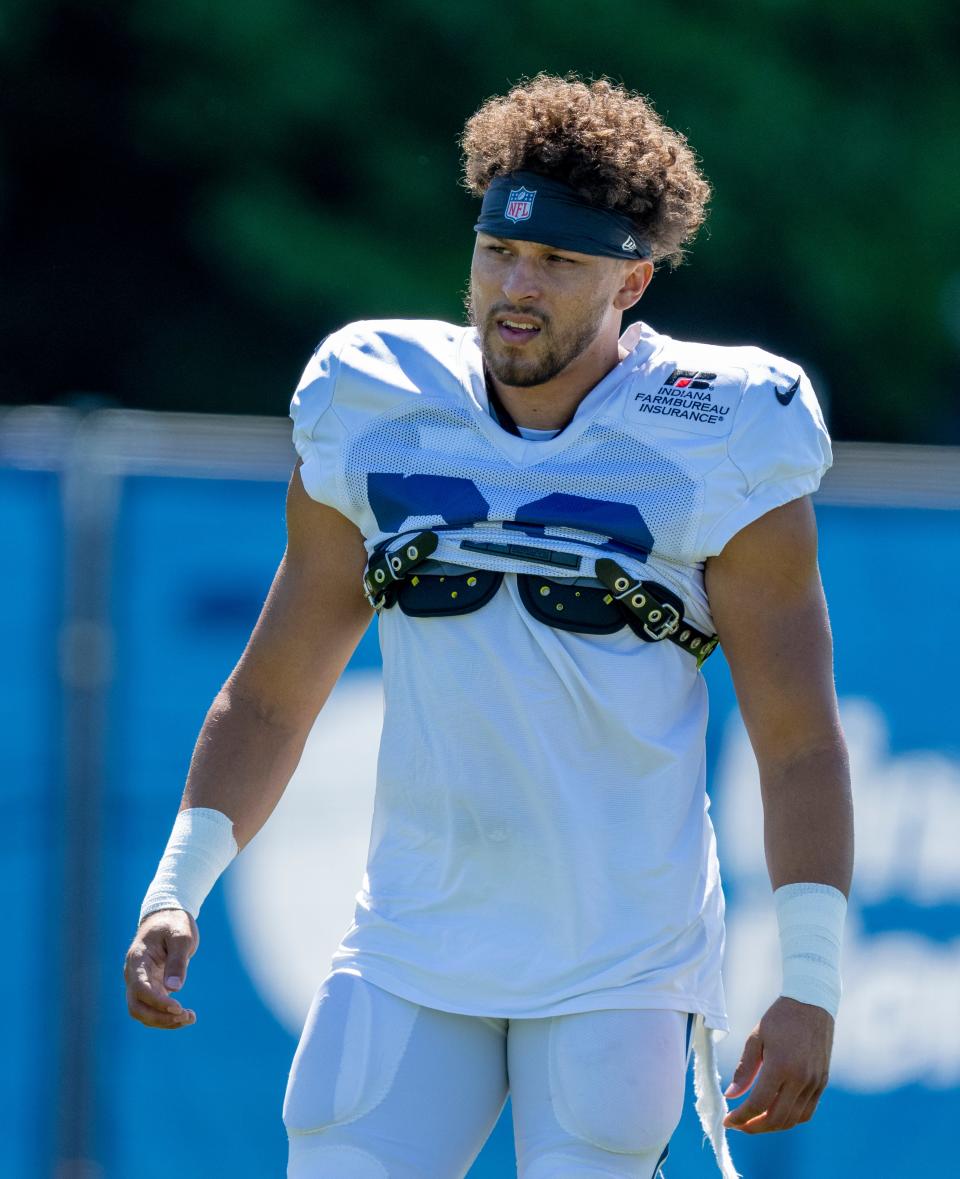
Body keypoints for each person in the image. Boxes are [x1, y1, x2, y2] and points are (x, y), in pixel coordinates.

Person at [124, 74, 853, 1179]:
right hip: (411, 945)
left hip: (621, 967)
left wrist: (811, 982)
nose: (517, 287)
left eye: (559, 263)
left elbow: (798, 738)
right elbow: (272, 693)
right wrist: (177, 887)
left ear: (633, 281)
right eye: (497, 254)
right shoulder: (374, 400)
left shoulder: (724, 431)